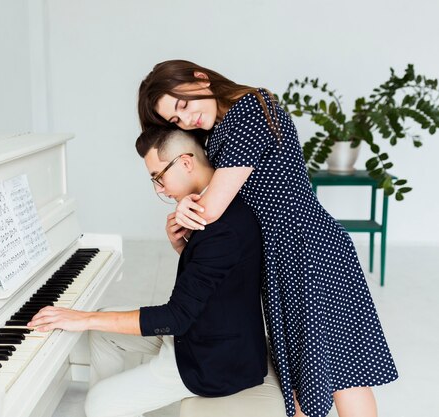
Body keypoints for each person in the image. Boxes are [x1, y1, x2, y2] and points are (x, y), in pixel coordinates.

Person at [137, 59, 399, 417]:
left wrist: (186, 206)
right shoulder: (219, 133)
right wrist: (184, 229)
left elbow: (211, 209)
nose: (186, 119)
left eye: (183, 105)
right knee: (302, 374)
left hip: (310, 250)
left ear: (200, 78)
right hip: (282, 259)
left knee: (342, 372)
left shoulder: (251, 108)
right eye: (175, 121)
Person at [28, 127, 269, 417]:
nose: (159, 189)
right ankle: (117, 403)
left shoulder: (222, 229)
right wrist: (182, 247)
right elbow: (220, 279)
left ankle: (107, 405)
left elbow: (176, 317)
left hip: (214, 359)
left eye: (159, 177)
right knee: (103, 335)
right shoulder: (221, 206)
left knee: (98, 401)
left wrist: (83, 317)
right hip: (205, 333)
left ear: (185, 162)